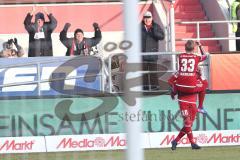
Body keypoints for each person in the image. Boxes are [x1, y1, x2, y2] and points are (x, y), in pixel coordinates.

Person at [141, 11, 165, 90]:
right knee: (143, 72)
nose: (147, 20)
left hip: (152, 54)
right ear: (143, 18)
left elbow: (161, 37)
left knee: (153, 71)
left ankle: (155, 87)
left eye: (149, 18)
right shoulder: (139, 27)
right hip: (142, 54)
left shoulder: (156, 26)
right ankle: (145, 87)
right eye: (146, 18)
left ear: (152, 18)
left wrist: (154, 30)